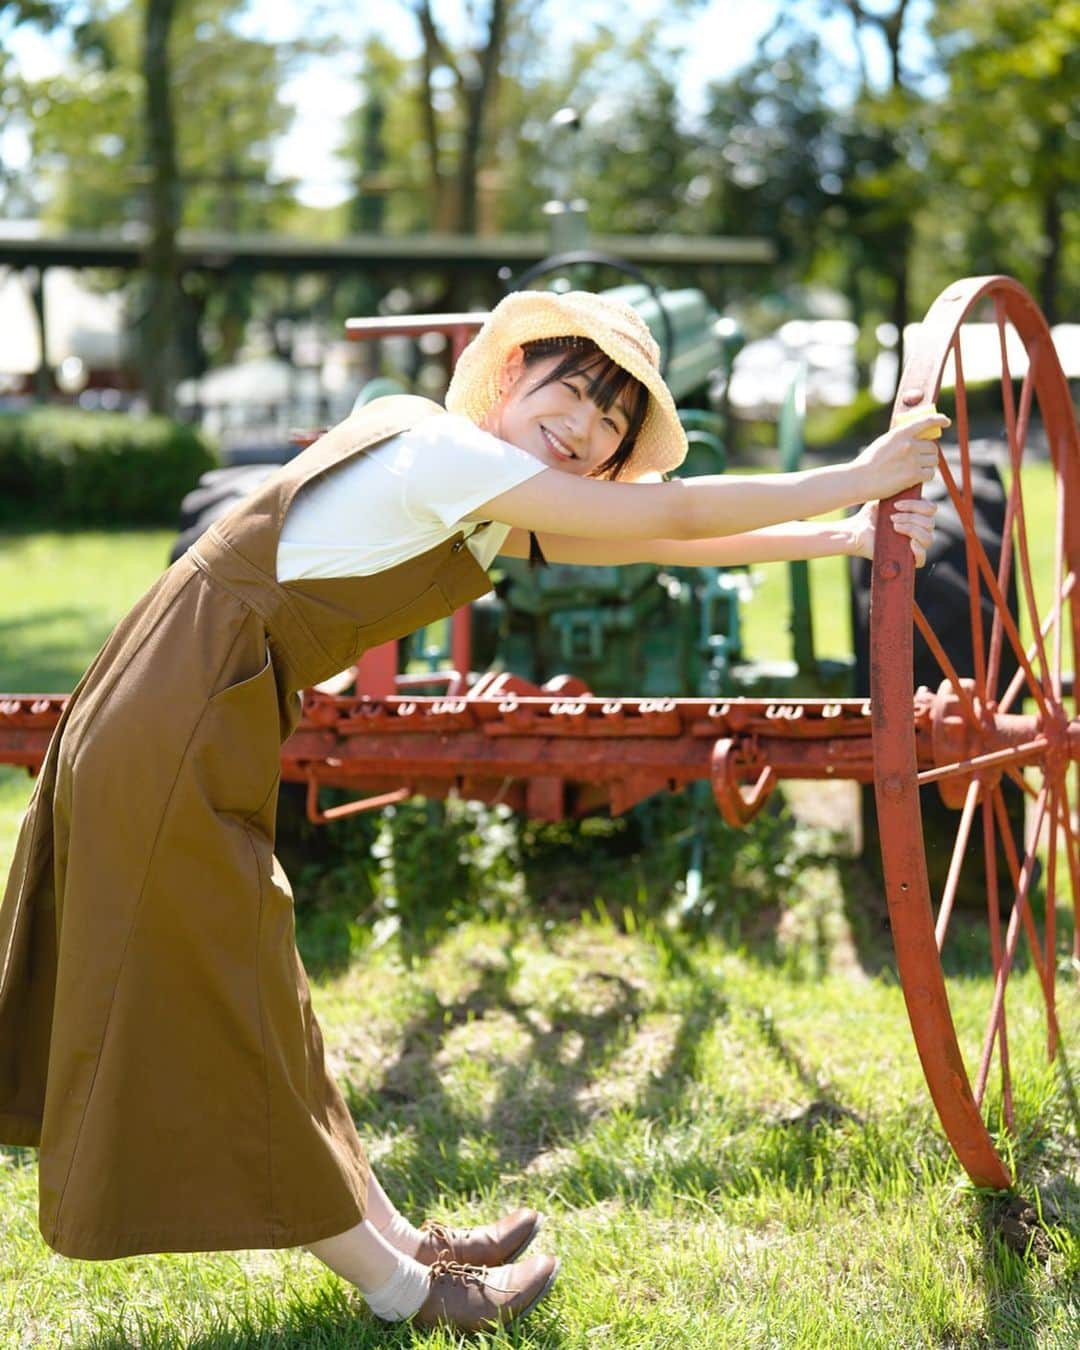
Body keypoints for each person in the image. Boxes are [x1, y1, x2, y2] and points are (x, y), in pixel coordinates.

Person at [0, 290, 940, 1333]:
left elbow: (658, 544)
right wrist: (860, 473)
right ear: (510, 374)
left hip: (191, 703)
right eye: (573, 392)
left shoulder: (479, 496)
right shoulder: (441, 454)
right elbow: (667, 511)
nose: (586, 431)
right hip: (176, 707)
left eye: (613, 428)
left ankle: (406, 1248)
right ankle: (406, 1292)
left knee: (262, 986)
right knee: (226, 1004)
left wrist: (844, 536)